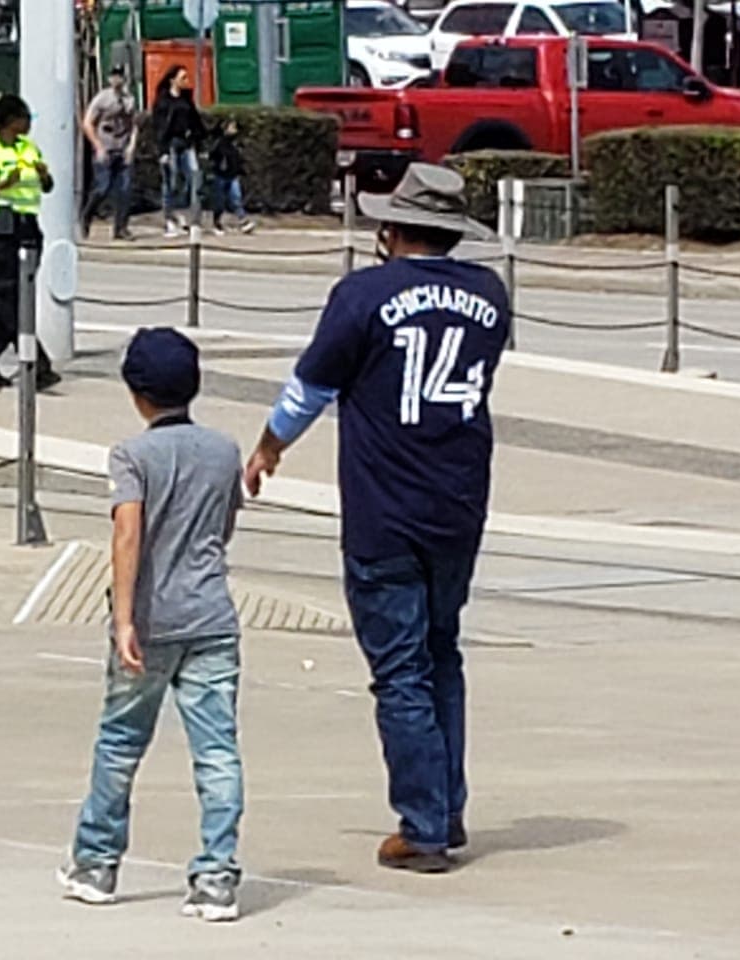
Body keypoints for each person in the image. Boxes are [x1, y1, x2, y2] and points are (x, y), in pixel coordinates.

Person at [244, 164, 509, 874]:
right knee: (442, 652)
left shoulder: (362, 295)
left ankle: (423, 826)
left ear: (392, 228)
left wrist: (269, 447)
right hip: (459, 501)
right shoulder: (490, 294)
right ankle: (446, 806)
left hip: (384, 506)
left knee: (399, 669)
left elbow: (310, 389)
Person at [59, 326, 246, 923]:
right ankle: (216, 877)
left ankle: (96, 864)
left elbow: (127, 534)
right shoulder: (224, 451)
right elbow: (223, 527)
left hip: (149, 621)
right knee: (217, 750)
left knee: (120, 743)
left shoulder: (131, 456)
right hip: (211, 616)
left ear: (136, 393)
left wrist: (122, 620)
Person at [0, 92, 61, 390]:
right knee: (9, 296)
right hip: (0, 224)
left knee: (12, 298)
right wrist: (1, 183)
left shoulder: (28, 148)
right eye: (25, 118)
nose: (29, 124)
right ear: (10, 121)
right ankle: (36, 364)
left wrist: (44, 176)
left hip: (28, 224)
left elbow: (47, 187)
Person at [80, 65, 137, 241]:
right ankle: (86, 216)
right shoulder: (102, 99)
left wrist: (131, 147)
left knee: (125, 189)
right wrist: (98, 146)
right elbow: (88, 122)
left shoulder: (129, 100)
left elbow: (134, 124)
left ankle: (121, 228)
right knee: (102, 187)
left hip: (122, 147)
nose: (117, 80)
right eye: (114, 76)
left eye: (120, 76)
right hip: (105, 146)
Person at [152, 65, 206, 238]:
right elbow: (159, 127)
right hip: (171, 145)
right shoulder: (163, 101)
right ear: (172, 80)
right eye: (182, 78)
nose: (186, 81)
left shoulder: (186, 99)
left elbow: (196, 122)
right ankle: (170, 218)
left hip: (187, 143)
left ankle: (193, 219)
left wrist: (199, 141)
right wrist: (163, 151)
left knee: (194, 179)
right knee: (171, 182)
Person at [209, 119, 256, 237]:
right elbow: (213, 157)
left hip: (232, 175)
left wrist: (240, 169)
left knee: (236, 198)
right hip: (220, 175)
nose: (234, 130)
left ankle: (243, 221)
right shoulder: (219, 143)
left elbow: (237, 158)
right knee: (219, 201)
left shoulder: (235, 144)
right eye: (232, 127)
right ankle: (216, 223)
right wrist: (217, 167)